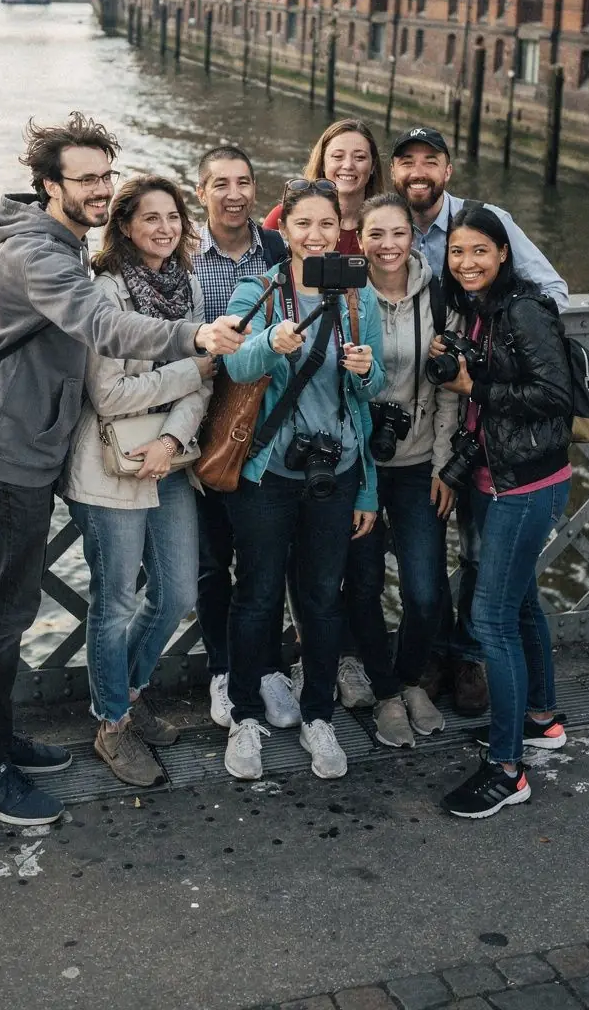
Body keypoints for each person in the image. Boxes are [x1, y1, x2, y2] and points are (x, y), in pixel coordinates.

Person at [0, 113, 247, 827]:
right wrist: (194, 336)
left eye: (106, 176)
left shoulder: (60, 241)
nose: (101, 189)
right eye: (86, 179)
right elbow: (102, 326)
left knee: (12, 608)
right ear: (49, 185)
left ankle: (0, 742)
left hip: (25, 445)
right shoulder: (42, 254)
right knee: (3, 614)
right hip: (4, 451)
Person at [389, 125, 568, 716]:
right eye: (407, 161)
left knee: (479, 556)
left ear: (448, 169)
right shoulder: (386, 226)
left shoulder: (487, 223)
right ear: (393, 172)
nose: (419, 172)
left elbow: (552, 292)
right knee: (422, 559)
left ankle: (472, 659)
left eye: (430, 161)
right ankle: (436, 652)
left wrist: (491, 345)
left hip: (486, 424)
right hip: (423, 425)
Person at [221, 179, 385, 782]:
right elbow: (235, 364)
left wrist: (364, 372)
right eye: (303, 224)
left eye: (326, 224)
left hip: (336, 471)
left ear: (339, 231)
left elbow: (373, 391)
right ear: (284, 230)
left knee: (321, 598)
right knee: (257, 595)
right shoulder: (260, 291)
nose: (315, 235)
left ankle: (318, 714)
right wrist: (270, 342)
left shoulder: (356, 298)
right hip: (268, 473)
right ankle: (244, 715)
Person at [61, 175, 214, 788]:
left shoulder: (188, 285)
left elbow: (205, 382)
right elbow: (109, 394)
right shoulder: (105, 291)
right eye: (150, 218)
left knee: (177, 592)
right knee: (115, 600)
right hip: (108, 464)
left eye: (172, 217)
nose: (164, 228)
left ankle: (127, 690)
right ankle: (112, 722)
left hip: (169, 458)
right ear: (123, 226)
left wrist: (172, 440)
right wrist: (192, 369)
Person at [436, 205, 572, 818]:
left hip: (525, 485)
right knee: (520, 604)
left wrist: (475, 387)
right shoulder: (478, 309)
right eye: (457, 252)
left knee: (491, 619)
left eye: (479, 252)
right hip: (499, 479)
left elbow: (553, 394)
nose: (466, 263)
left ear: (503, 254)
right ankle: (541, 719)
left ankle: (507, 768)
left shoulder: (522, 309)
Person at [340, 193, 462, 747]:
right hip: (359, 463)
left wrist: (442, 465)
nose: (387, 245)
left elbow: (448, 391)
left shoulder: (437, 294)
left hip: (418, 465)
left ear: (413, 238)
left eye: (398, 233)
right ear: (360, 239)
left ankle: (412, 679)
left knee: (426, 589)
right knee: (363, 584)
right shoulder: (347, 296)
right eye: (376, 234)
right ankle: (387, 691)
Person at [192, 144, 293, 731]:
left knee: (264, 559)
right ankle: (224, 669)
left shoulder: (278, 249)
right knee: (210, 560)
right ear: (201, 191)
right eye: (221, 184)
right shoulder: (183, 254)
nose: (234, 195)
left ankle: (267, 666)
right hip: (201, 423)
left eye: (244, 183)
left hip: (266, 425)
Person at [262, 118, 384, 253]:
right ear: (323, 163)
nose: (348, 165)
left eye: (360, 157)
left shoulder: (388, 224)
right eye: (338, 156)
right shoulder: (283, 216)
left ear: (373, 166)